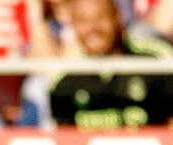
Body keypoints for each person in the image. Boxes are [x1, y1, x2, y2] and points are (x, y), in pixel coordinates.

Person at [48, 0, 173, 129]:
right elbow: (63, 135)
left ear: (118, 17)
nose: (93, 28)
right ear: (72, 25)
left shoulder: (154, 64)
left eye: (101, 18)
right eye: (83, 21)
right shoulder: (65, 80)